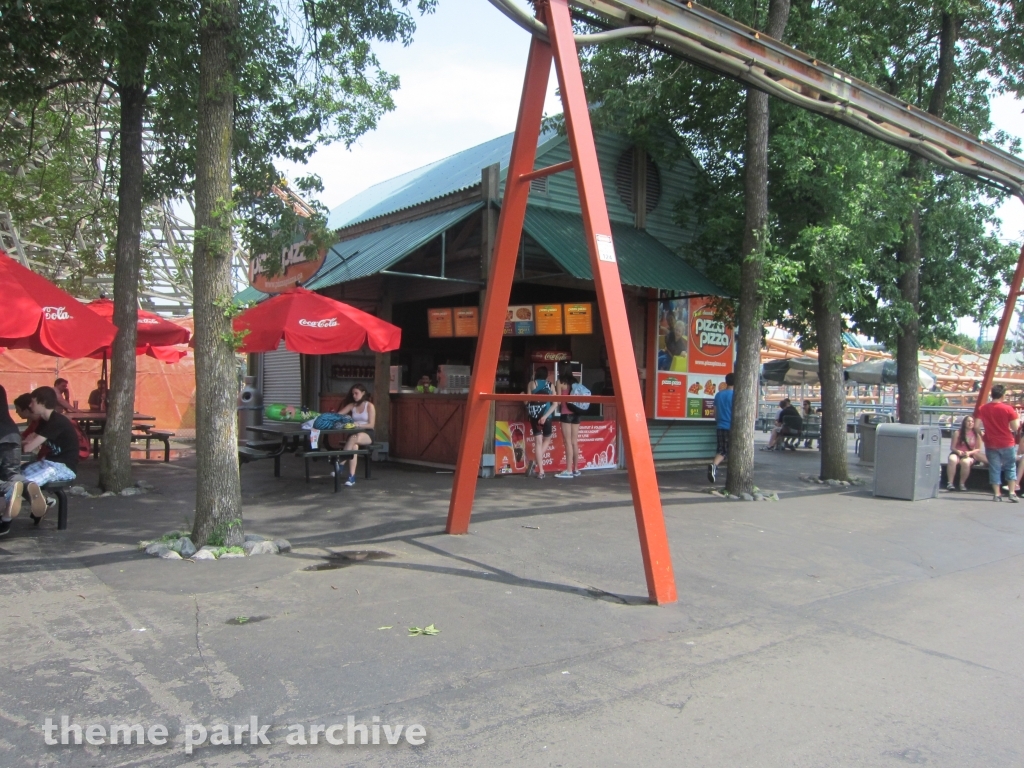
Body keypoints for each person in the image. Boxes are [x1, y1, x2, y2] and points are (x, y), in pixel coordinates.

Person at [20, 386, 79, 522]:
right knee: (17, 478)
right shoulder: (44, 421)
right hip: (48, 463)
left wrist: (22, 442)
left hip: (63, 467)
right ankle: (44, 502)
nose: (30, 405)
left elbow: (28, 447)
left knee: (23, 484)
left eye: (33, 402)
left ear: (43, 402)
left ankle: (6, 517)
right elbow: (29, 441)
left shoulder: (56, 422)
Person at [976, 384, 1020, 502]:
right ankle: (1011, 492)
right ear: (1003, 395)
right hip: (1006, 441)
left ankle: (997, 494)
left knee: (994, 468)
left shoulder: (983, 408)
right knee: (1010, 467)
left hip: (990, 442)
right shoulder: (1008, 409)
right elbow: (1015, 427)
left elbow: (976, 426)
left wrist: (983, 436)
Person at [334, 384, 375, 487]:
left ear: (363, 393)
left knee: (353, 438)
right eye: (353, 394)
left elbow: (371, 425)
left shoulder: (369, 406)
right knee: (354, 446)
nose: (354, 396)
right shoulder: (352, 405)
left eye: (356, 393)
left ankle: (341, 464)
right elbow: (339, 415)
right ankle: (351, 477)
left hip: (367, 433)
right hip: (354, 433)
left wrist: (358, 424)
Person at [0, 386, 25, 536]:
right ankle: (5, 521)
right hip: (11, 432)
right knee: (12, 474)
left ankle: (10, 488)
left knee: (4, 481)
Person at [526, 366, 556, 479]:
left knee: (538, 442)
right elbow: (555, 404)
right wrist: (545, 416)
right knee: (547, 439)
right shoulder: (550, 385)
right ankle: (534, 463)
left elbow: (528, 401)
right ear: (546, 375)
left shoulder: (531, 384)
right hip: (546, 416)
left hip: (534, 416)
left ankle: (541, 471)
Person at [554, 370, 581, 479]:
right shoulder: (575, 381)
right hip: (577, 414)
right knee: (574, 442)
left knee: (567, 442)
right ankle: (576, 469)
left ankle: (568, 470)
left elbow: (559, 401)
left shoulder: (560, 382)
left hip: (566, 414)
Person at [707, 373, 734, 484]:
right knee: (728, 450)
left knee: (722, 449)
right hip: (731, 427)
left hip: (720, 425)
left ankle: (714, 466)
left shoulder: (719, 395)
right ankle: (714, 465)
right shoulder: (736, 395)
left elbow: (715, 412)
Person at [946, 415, 984, 492]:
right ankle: (950, 483)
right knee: (952, 459)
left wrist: (969, 453)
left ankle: (962, 483)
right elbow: (952, 447)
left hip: (969, 454)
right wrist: (958, 451)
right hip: (958, 453)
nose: (970, 423)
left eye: (972, 421)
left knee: (965, 462)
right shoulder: (957, 433)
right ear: (964, 423)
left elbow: (978, 449)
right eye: (968, 421)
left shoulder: (976, 434)